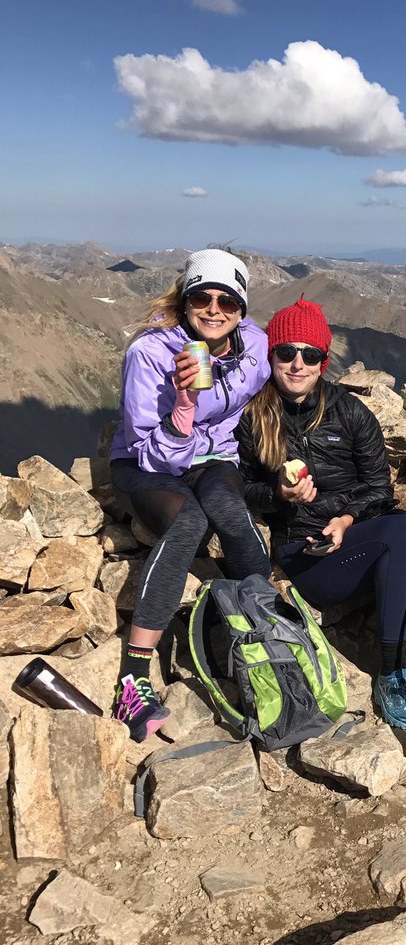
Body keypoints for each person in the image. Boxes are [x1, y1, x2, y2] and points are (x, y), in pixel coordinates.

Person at [236, 297, 406, 720]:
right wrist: (278, 495)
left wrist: (343, 519)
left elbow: (380, 488)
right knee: (402, 533)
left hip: (355, 536)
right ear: (272, 356)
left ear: (324, 361)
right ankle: (393, 675)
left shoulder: (350, 413)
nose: (297, 364)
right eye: (286, 352)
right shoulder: (255, 418)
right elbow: (242, 489)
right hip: (306, 553)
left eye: (311, 354)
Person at [108, 249, 272, 740]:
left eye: (229, 300)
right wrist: (182, 408)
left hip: (214, 458)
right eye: (203, 297)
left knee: (228, 511)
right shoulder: (151, 353)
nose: (215, 309)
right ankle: (133, 677)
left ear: (242, 310)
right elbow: (146, 450)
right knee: (188, 523)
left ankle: (265, 633)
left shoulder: (255, 346)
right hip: (149, 458)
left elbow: (292, 362)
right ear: (185, 301)